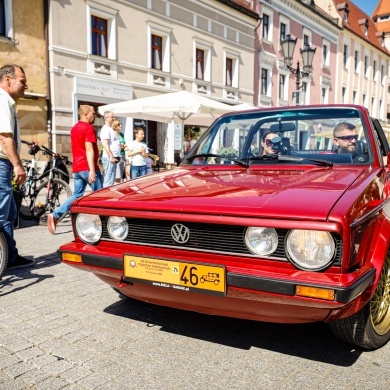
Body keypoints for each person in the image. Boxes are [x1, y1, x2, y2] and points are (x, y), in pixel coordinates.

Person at [47, 105, 103, 235]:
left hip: (77, 168)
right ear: (86, 114)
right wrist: (92, 170)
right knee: (100, 195)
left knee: (77, 195)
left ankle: (55, 215)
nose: (94, 116)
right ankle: (101, 223)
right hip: (87, 167)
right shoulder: (88, 128)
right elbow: (89, 149)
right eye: (93, 113)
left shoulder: (74, 128)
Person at [0, 64, 34, 269]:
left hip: (4, 165)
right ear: (7, 79)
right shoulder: (2, 100)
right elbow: (4, 138)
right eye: (22, 81)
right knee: (2, 213)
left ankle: (9, 256)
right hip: (2, 163)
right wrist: (18, 166)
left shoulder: (7, 102)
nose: (26, 85)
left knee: (10, 213)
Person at [100, 111, 121, 187]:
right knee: (109, 180)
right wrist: (111, 156)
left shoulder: (109, 129)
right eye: (112, 117)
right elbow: (105, 143)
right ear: (106, 118)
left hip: (112, 157)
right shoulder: (105, 129)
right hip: (109, 158)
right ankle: (106, 197)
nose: (114, 118)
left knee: (111, 179)